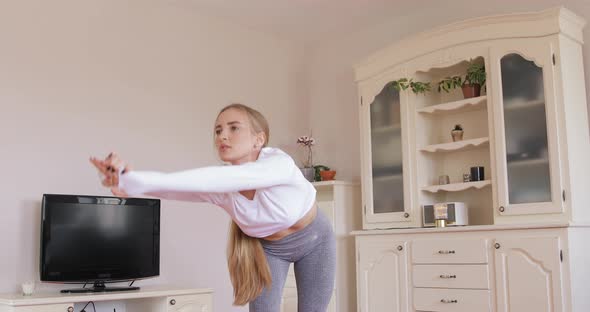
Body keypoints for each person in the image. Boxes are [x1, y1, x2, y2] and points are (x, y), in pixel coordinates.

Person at [90, 103, 336, 312]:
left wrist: (136, 181)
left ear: (258, 139)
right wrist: (127, 181)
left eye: (233, 128)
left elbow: (223, 179)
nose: (222, 136)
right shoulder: (222, 185)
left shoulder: (277, 163)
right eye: (218, 130)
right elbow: (178, 189)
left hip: (315, 241)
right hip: (269, 250)